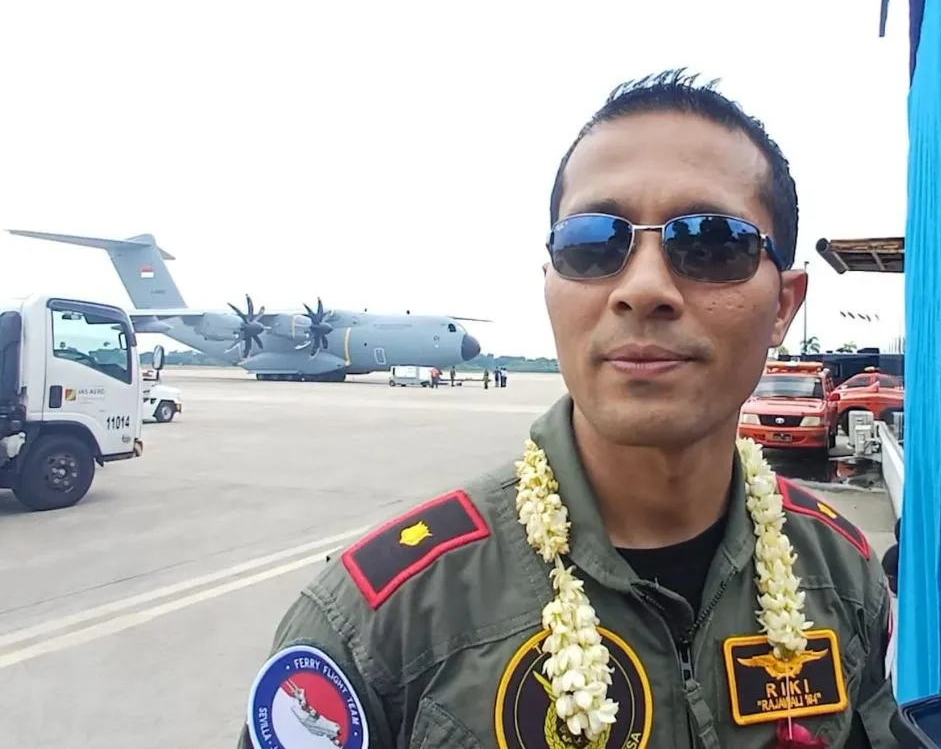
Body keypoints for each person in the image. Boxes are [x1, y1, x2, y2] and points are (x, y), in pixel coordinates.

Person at [237, 69, 898, 749]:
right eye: (593, 244)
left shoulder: (839, 574)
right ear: (550, 283)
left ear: (784, 306)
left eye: (710, 244)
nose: (644, 288)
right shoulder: (382, 627)